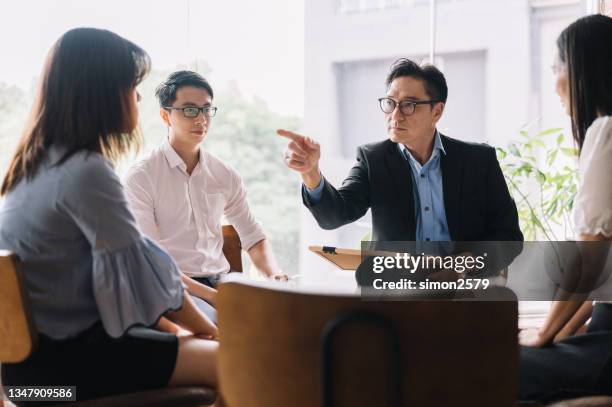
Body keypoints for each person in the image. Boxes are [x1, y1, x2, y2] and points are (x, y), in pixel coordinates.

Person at [0, 28, 218, 403]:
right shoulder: (85, 171)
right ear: (102, 92)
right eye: (132, 85)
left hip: (23, 377)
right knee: (245, 360)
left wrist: (185, 332)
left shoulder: (33, 168)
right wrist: (210, 333)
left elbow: (139, 273)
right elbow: (146, 280)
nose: (137, 97)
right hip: (64, 371)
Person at [124, 71, 286, 320]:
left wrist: (274, 275)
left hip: (223, 282)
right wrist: (213, 297)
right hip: (172, 286)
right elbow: (152, 262)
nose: (201, 119)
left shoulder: (224, 174)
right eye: (189, 110)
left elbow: (253, 236)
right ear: (165, 115)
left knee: (288, 318)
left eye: (206, 109)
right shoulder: (142, 176)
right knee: (228, 325)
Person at [519, 14, 612, 402]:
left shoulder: (605, 131)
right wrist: (557, 333)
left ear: (584, 69)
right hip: (602, 338)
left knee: (480, 365)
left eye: (558, 66)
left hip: (608, 349)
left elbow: (589, 262)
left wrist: (543, 334)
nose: (555, 80)